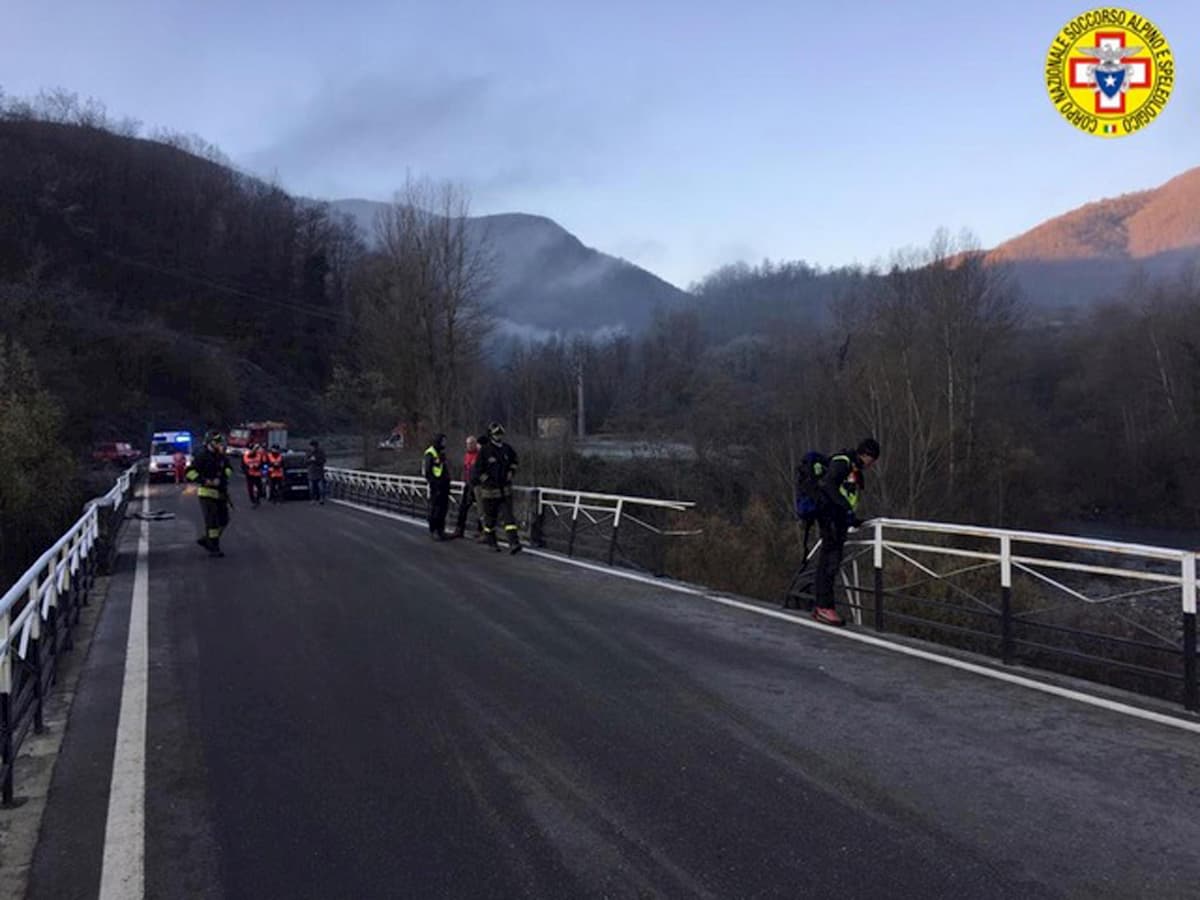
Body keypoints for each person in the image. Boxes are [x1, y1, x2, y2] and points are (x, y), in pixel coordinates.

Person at [812, 437, 880, 626]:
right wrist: (845, 509)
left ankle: (822, 606)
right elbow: (830, 486)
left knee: (828, 560)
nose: (871, 465)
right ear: (865, 455)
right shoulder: (843, 463)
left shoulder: (852, 467)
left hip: (836, 518)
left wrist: (851, 517)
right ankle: (824, 606)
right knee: (830, 561)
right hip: (832, 518)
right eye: (872, 460)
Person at [471, 423, 521, 554]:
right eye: (496, 434)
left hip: (505, 491)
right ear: (491, 435)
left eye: (500, 434)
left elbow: (515, 461)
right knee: (490, 519)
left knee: (509, 518)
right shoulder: (485, 451)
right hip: (489, 492)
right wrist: (486, 480)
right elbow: (477, 471)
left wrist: (511, 471)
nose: (498, 436)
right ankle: (491, 542)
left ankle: (514, 543)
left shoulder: (507, 449)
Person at [186, 431, 234, 557]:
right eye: (216, 442)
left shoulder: (221, 456)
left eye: (220, 442)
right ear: (209, 442)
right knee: (212, 522)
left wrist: (223, 477)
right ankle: (214, 548)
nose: (219, 444)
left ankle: (207, 540)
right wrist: (205, 480)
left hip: (221, 493)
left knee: (224, 520)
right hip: (206, 493)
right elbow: (190, 472)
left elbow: (229, 469)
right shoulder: (202, 456)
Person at [452, 434, 483, 540]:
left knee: (481, 509)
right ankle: (459, 529)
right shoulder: (467, 455)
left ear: (475, 444)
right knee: (463, 507)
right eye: (467, 444)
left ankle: (481, 531)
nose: (469, 446)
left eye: (471, 443)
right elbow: (466, 469)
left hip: (478, 485)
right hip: (468, 484)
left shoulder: (479, 455)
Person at [423, 433, 451, 540]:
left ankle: (441, 530)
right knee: (435, 508)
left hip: (444, 485)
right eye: (443, 441)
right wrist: (434, 484)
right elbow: (427, 471)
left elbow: (443, 468)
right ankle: (434, 530)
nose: (445, 443)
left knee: (443, 508)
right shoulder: (430, 453)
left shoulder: (441, 453)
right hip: (436, 486)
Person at [242, 443, 264, 507]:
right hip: (250, 475)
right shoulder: (245, 456)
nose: (255, 450)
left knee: (260, 488)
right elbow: (243, 466)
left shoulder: (259, 455)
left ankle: (257, 499)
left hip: (257, 474)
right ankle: (253, 501)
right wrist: (247, 469)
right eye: (254, 449)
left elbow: (262, 464)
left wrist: (258, 467)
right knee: (250, 489)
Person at [306, 439, 327, 505]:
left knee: (321, 488)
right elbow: (305, 462)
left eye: (314, 446)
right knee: (311, 488)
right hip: (311, 473)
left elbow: (323, 461)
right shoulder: (308, 453)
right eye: (311, 446)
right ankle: (313, 499)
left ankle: (321, 499)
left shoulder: (321, 452)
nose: (312, 448)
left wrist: (316, 460)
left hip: (319, 473)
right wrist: (310, 460)